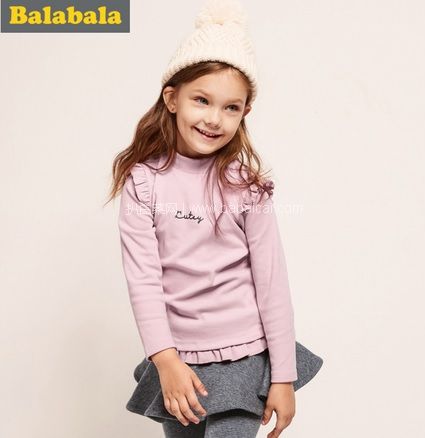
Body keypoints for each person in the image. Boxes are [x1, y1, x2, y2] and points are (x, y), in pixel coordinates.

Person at [108, 0, 300, 436]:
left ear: (245, 112)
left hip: (246, 357)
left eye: (231, 107)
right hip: (178, 362)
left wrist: (283, 377)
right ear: (172, 99)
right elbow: (144, 280)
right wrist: (165, 360)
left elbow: (272, 282)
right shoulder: (143, 183)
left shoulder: (246, 186)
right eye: (201, 100)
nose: (214, 119)